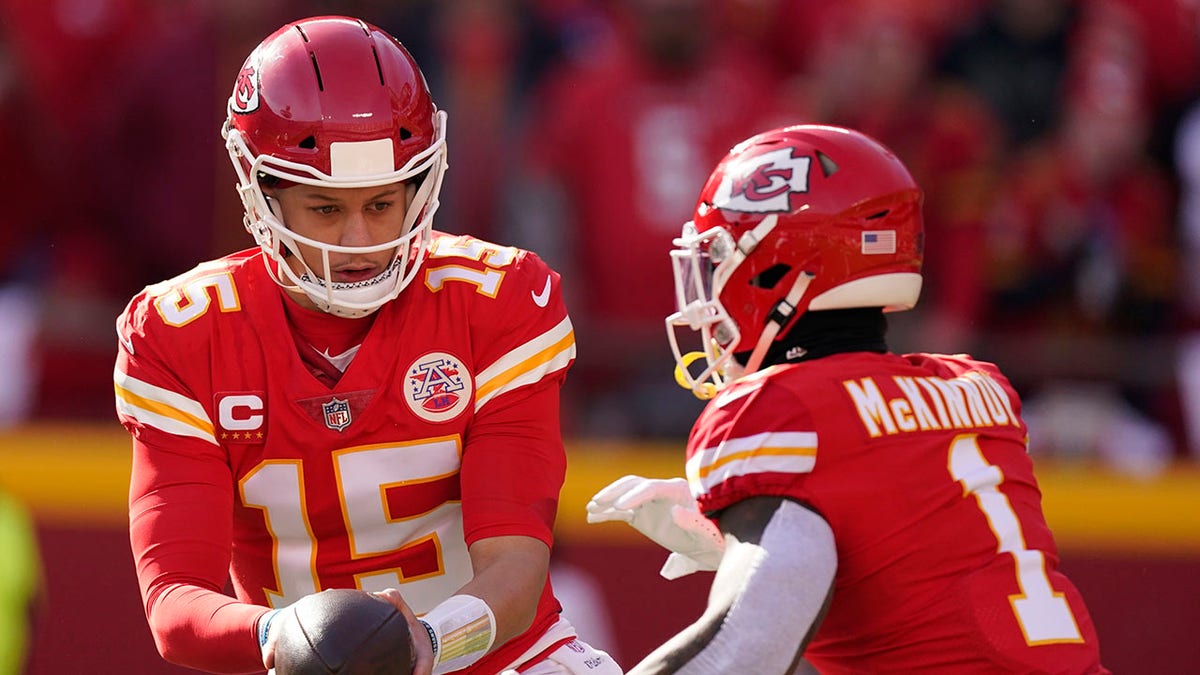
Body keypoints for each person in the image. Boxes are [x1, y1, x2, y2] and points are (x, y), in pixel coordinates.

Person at [113, 15, 621, 675]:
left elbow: (515, 567)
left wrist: (425, 643)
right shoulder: (184, 331)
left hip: (505, 659)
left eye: (381, 204)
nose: (359, 242)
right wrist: (284, 635)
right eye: (325, 208)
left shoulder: (495, 301)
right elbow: (175, 600)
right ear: (261, 191)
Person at [586, 124, 1110, 673]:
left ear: (776, 266)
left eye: (717, 257)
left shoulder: (779, 411)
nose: (708, 289)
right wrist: (733, 537)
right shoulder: (975, 387)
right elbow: (911, 555)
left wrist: (765, 531)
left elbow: (743, 650)